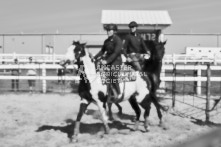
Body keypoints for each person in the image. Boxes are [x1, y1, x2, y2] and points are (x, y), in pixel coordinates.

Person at [93, 23, 123, 99]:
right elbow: (102, 51)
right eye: (107, 30)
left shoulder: (118, 40)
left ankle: (118, 92)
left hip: (116, 60)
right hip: (108, 60)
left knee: (112, 72)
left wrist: (107, 61)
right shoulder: (106, 41)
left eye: (110, 30)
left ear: (114, 31)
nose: (108, 32)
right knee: (98, 71)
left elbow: (116, 53)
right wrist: (95, 57)